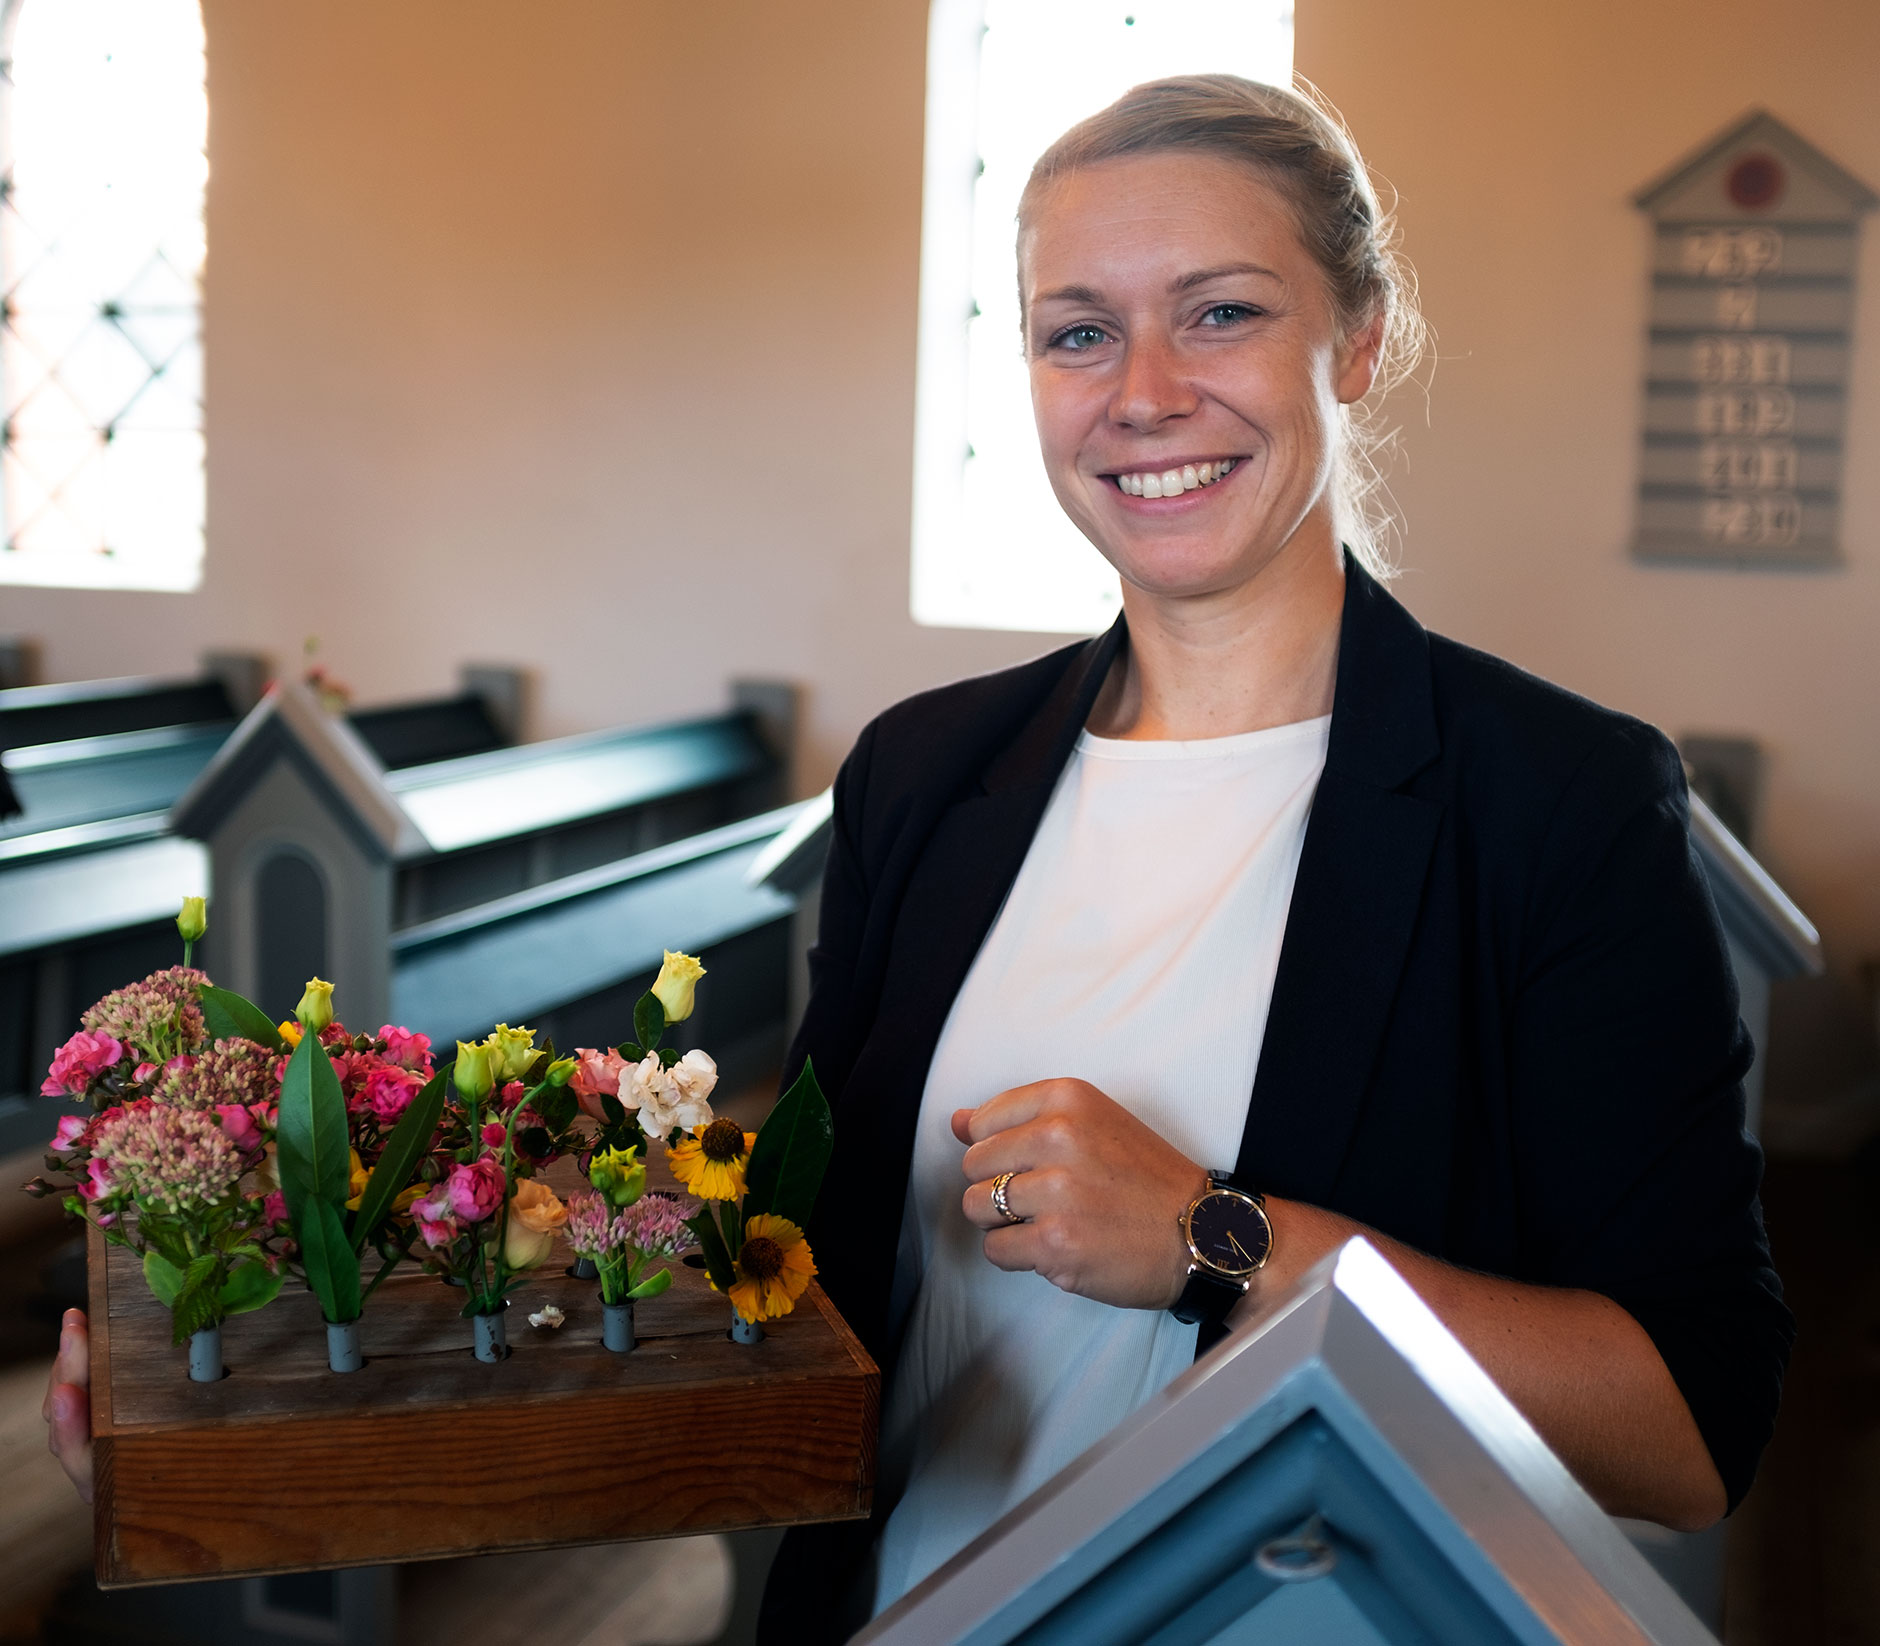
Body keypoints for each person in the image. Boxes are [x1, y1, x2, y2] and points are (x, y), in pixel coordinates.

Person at [46, 74, 1791, 1646]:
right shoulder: (929, 772)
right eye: (1078, 332)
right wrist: (246, 1371)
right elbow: (791, 1265)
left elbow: (1687, 1428)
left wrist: (1221, 1236)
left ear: (1360, 342)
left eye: (1223, 312)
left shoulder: (1557, 805)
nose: (1146, 393)